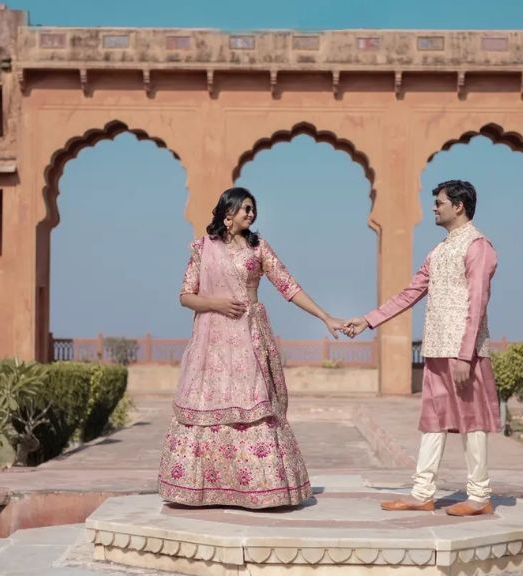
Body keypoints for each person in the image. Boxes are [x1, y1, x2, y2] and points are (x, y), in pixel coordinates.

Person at [159, 187, 346, 509]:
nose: (251, 214)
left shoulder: (259, 249)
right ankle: (202, 487)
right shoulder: (202, 249)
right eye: (245, 208)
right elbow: (185, 295)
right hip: (212, 341)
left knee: (254, 401)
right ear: (227, 213)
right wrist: (216, 304)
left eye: (252, 209)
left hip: (249, 335)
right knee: (209, 401)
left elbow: (288, 285)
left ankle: (263, 487)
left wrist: (325, 316)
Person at [345, 180, 501, 517]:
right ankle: (422, 492)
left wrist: (464, 354)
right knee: (433, 423)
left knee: (472, 424)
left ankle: (479, 495)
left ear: (458, 206)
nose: (434, 207)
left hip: (465, 353)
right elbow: (410, 293)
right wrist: (369, 319)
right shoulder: (440, 251)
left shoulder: (478, 247)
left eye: (439, 202)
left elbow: (478, 303)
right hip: (437, 350)